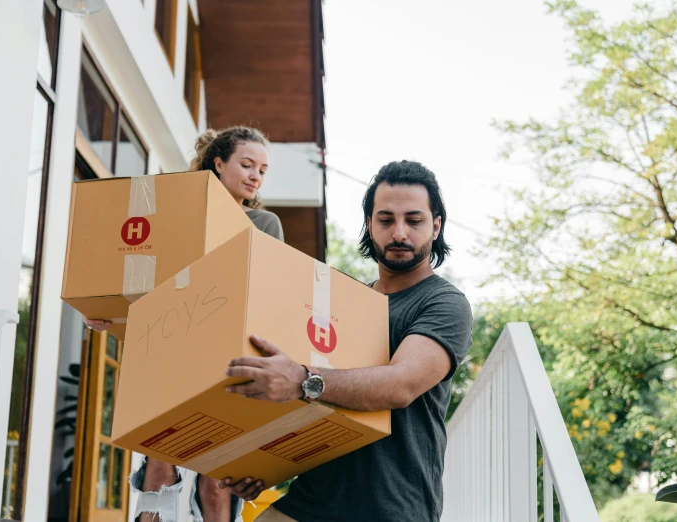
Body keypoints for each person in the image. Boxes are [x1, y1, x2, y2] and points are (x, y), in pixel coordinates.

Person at [220, 160, 473, 522]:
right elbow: (298, 392)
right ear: (370, 226)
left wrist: (301, 379)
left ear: (435, 226)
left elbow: (399, 385)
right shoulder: (343, 302)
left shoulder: (444, 303)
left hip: (390, 506)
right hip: (312, 495)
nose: (399, 232)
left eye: (413, 220)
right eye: (385, 220)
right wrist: (262, 462)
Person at [83, 125, 283, 522]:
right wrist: (108, 309)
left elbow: (270, 296)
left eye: (262, 169)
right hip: (168, 356)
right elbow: (145, 283)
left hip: (229, 362)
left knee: (215, 482)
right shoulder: (175, 218)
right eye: (246, 164)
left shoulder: (264, 224)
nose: (255, 175)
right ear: (219, 162)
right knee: (159, 470)